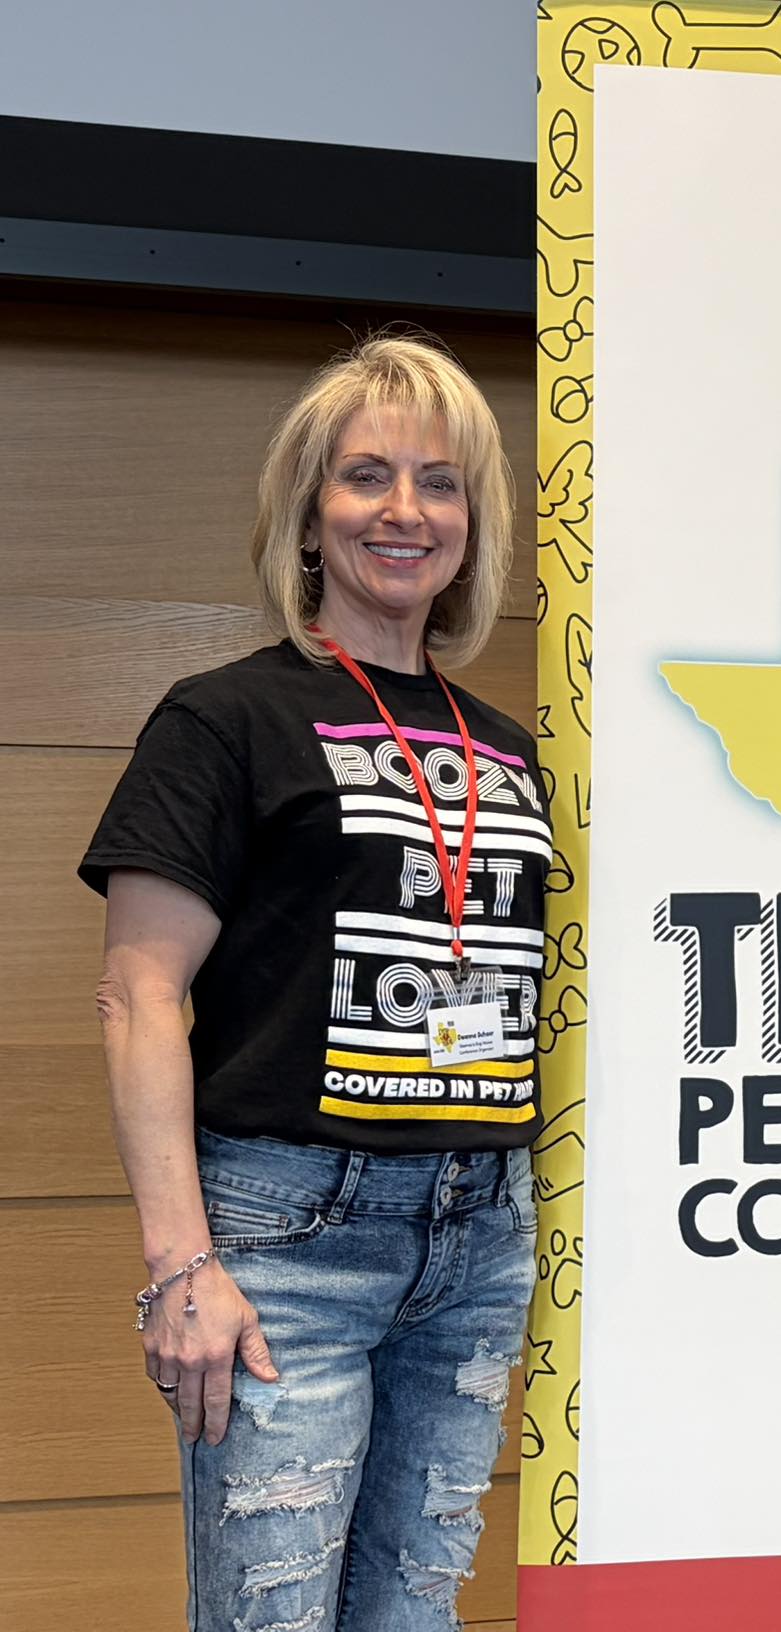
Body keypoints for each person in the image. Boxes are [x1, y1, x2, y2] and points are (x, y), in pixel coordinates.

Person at [83, 333, 547, 1631]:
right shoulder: (220, 720)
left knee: (414, 1618)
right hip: (289, 1243)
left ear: (473, 522)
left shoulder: (507, 749)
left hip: (476, 1241)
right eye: (366, 476)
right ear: (307, 510)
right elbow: (137, 997)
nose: (405, 511)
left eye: (440, 483)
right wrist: (182, 1265)